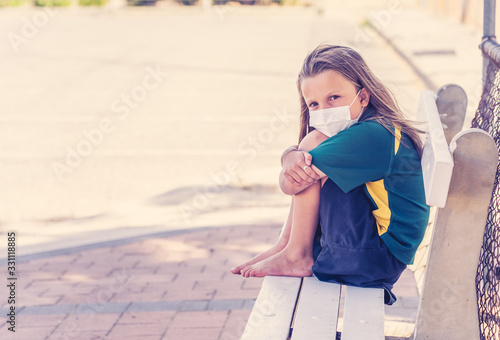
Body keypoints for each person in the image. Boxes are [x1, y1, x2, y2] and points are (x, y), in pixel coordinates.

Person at [231, 44, 430, 304]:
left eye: (334, 98)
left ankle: (297, 254)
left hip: (375, 258)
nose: (324, 111)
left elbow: (291, 183)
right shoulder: (377, 126)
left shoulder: (371, 136)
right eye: (313, 103)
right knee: (310, 150)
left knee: (312, 145)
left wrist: (292, 156)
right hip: (379, 253)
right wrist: (290, 154)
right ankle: (288, 245)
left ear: (363, 97)